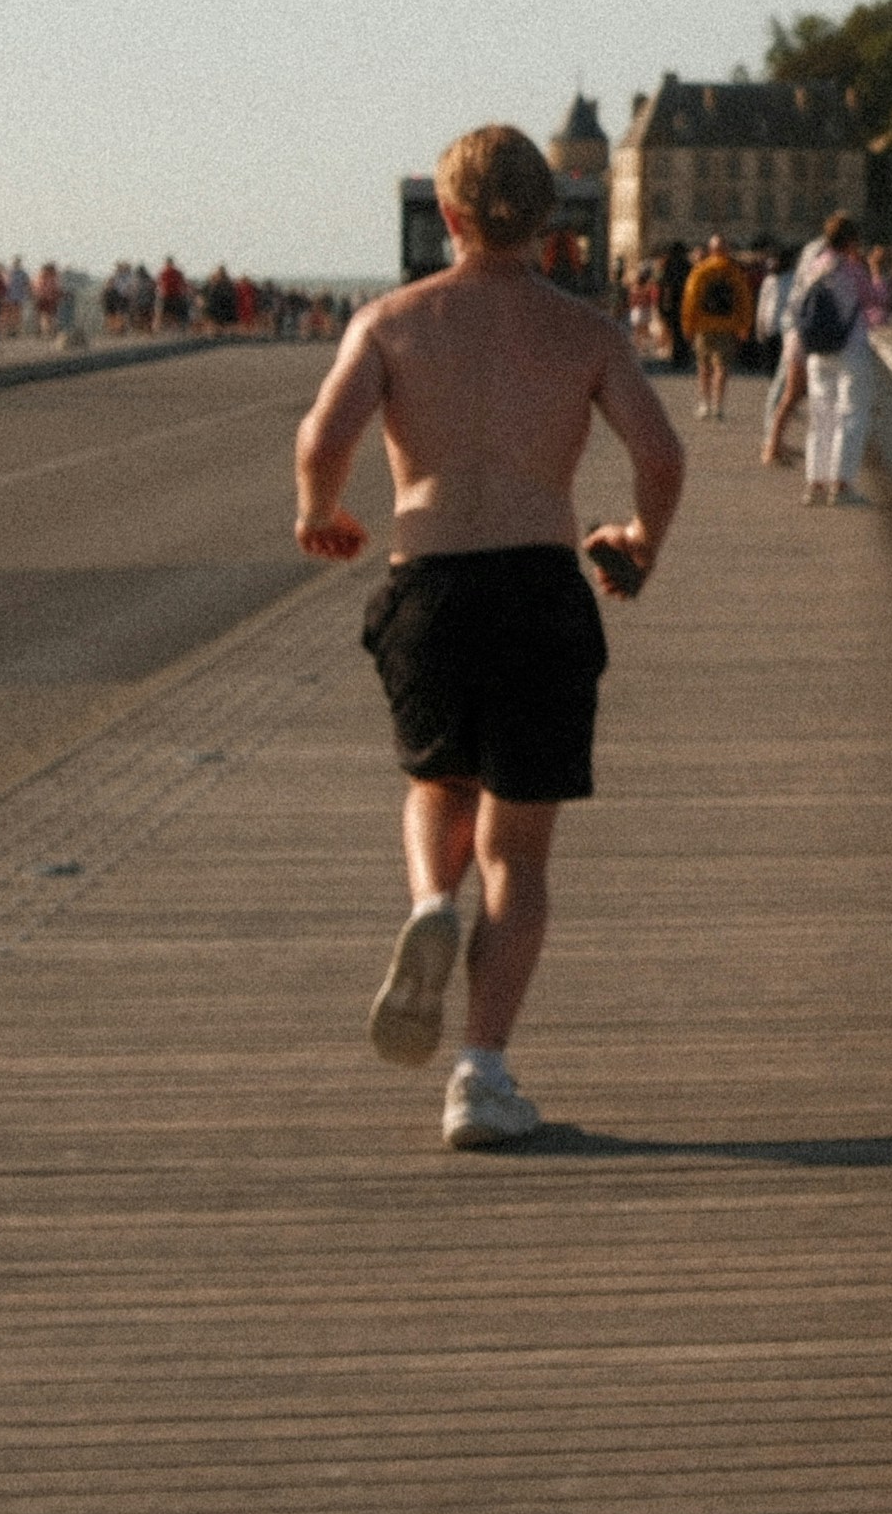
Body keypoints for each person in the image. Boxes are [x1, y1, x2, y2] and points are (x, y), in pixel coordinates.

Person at [291, 123, 683, 1153]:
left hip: (428, 585)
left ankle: (429, 900)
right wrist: (639, 541)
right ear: (549, 222)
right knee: (519, 855)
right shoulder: (585, 333)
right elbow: (663, 454)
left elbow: (323, 437)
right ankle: (482, 1074)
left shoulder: (389, 322)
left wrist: (319, 509)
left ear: (449, 216)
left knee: (438, 787)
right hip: (539, 587)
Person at [767, 212, 887, 502]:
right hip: (850, 349)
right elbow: (877, 300)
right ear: (852, 241)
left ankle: (816, 484)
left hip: (817, 352)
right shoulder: (851, 268)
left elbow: (797, 308)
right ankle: (842, 485)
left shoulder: (814, 267)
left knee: (821, 417)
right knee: (851, 415)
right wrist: (876, 269)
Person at [678, 235, 753, 421]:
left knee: (704, 367)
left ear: (710, 250)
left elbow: (690, 299)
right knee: (722, 368)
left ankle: (705, 404)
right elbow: (744, 300)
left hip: (703, 326)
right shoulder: (734, 271)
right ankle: (718, 405)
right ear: (726, 250)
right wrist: (744, 325)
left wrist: (688, 326)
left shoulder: (700, 271)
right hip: (727, 326)